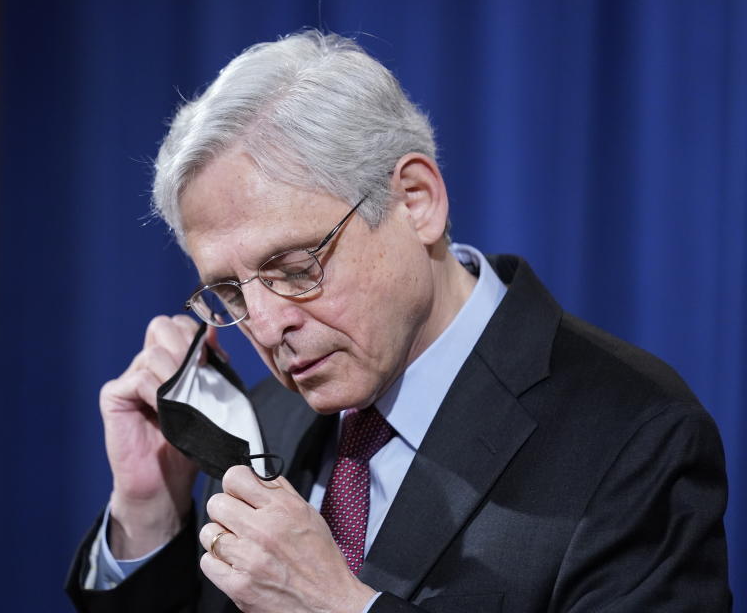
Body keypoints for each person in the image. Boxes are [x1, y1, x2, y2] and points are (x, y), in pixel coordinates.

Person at [65, 31, 731, 612]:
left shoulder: (637, 439)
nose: (266, 327)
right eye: (229, 292)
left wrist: (338, 607)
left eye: (296, 266)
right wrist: (150, 514)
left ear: (416, 202)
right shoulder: (268, 419)